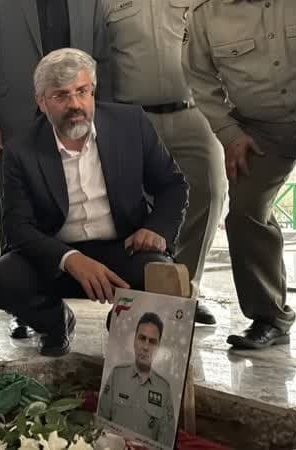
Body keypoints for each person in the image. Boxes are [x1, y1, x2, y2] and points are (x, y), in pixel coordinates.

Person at [0, 48, 188, 357]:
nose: (75, 104)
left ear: (93, 90)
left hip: (124, 248)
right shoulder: (21, 148)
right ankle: (55, 322)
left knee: (162, 277)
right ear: (41, 101)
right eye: (61, 96)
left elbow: (173, 185)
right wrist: (70, 259)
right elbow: (17, 226)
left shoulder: (130, 123)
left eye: (82, 91)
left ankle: (124, 327)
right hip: (56, 257)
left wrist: (157, 228)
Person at [0, 0, 111, 339]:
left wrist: (105, 115)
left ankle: (72, 277)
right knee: (15, 213)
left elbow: (102, 58)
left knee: (74, 199)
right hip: (15, 118)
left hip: (75, 116)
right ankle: (24, 308)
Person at [183, 0, 296, 350]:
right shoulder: (206, 13)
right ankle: (269, 318)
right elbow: (199, 79)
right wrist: (229, 133)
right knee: (246, 212)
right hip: (260, 129)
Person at [103, 0, 225, 326]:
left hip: (193, 110)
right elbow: (101, 56)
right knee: (133, 208)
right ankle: (141, 295)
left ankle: (184, 292)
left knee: (210, 192)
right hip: (133, 116)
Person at [98, 313, 176, 447]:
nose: (145, 347)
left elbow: (165, 442)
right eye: (142, 338)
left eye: (152, 342)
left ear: (158, 347)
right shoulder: (117, 375)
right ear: (134, 341)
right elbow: (101, 423)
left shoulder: (164, 388)